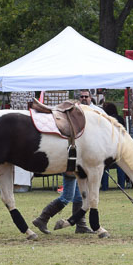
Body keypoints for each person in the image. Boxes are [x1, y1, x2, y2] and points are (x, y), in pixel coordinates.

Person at [31, 90, 100, 235]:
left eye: (86, 96)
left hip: (80, 163)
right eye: (81, 96)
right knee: (67, 196)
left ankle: (80, 224)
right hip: (71, 162)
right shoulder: (75, 117)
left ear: (91, 98)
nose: (84, 98)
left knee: (79, 195)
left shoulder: (94, 113)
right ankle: (42, 218)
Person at [100, 102, 128, 190]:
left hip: (108, 146)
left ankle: (105, 186)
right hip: (119, 145)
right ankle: (121, 186)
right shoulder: (120, 118)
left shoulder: (105, 119)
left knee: (105, 167)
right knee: (120, 167)